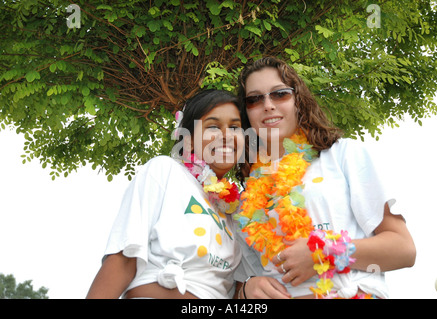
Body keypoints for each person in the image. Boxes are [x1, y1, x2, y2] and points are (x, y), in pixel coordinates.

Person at [233, 57, 416, 299]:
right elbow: (238, 284)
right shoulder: (246, 198)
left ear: (298, 100)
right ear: (247, 113)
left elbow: (403, 249)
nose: (267, 105)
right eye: (254, 99)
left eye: (280, 94)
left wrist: (325, 252)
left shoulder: (342, 155)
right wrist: (247, 290)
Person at [86, 89, 246, 299]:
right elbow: (124, 257)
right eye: (213, 126)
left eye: (235, 127)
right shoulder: (164, 171)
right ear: (187, 140)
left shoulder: (239, 210)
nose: (226, 135)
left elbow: (237, 290)